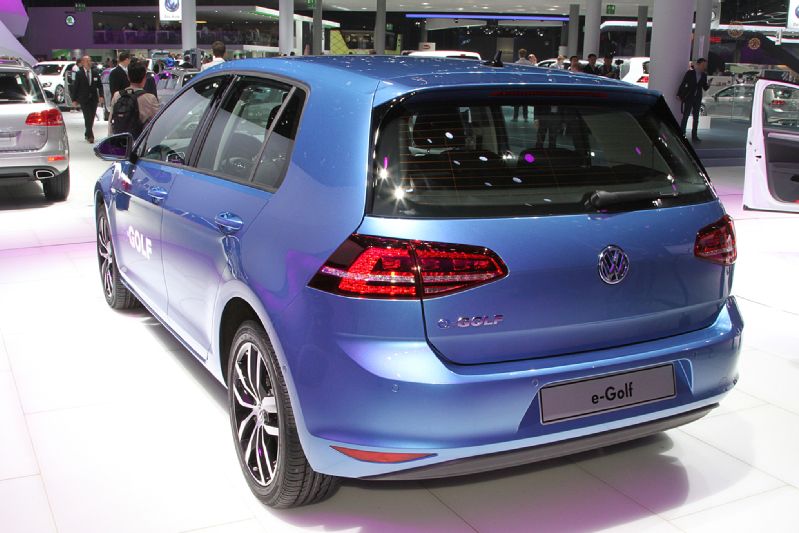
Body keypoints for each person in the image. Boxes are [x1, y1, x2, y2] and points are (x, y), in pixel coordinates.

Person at [110, 59, 159, 138]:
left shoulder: (117, 95)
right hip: (140, 141)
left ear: (128, 77)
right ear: (144, 78)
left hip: (121, 140)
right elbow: (157, 123)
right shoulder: (150, 98)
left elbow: (111, 122)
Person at [71, 55, 104, 143]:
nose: (89, 62)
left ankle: (87, 132)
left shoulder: (95, 73)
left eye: (90, 60)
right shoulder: (79, 73)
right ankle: (90, 136)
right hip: (84, 99)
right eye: (87, 61)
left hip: (93, 99)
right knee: (87, 116)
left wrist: (101, 96)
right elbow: (75, 87)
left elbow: (100, 85)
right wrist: (74, 99)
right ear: (83, 63)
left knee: (92, 117)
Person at [677, 57, 710, 142]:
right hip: (689, 97)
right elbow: (683, 83)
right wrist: (679, 94)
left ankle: (694, 135)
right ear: (698, 64)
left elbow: (705, 88)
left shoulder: (704, 75)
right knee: (686, 115)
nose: (704, 67)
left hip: (698, 98)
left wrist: (709, 84)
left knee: (696, 117)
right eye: (703, 65)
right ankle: (682, 134)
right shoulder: (690, 73)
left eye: (705, 65)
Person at [513, 48, 532, 121]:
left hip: (518, 84)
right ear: (525, 54)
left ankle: (515, 117)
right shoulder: (529, 63)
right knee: (525, 102)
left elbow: (515, 75)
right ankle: (525, 117)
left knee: (516, 102)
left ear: (519, 54)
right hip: (526, 84)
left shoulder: (516, 63)